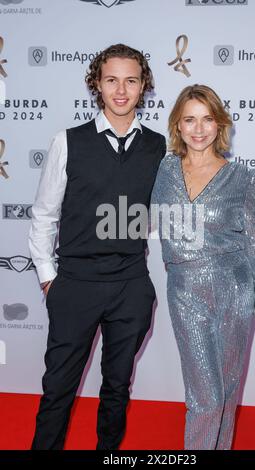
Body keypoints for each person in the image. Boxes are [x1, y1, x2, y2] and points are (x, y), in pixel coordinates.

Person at [29, 43, 166, 450]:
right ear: (97, 85)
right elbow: (43, 215)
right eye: (111, 80)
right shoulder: (67, 141)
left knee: (117, 389)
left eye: (131, 80)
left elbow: (183, 204)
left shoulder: (159, 147)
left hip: (131, 285)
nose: (121, 90)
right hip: (76, 284)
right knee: (58, 390)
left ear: (143, 87)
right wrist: (49, 280)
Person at [150, 84, 255, 450]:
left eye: (207, 119)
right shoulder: (161, 169)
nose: (198, 128)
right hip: (184, 291)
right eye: (189, 119)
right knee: (204, 397)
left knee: (225, 391)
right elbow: (127, 210)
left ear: (219, 124)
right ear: (177, 125)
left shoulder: (242, 178)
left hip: (234, 290)